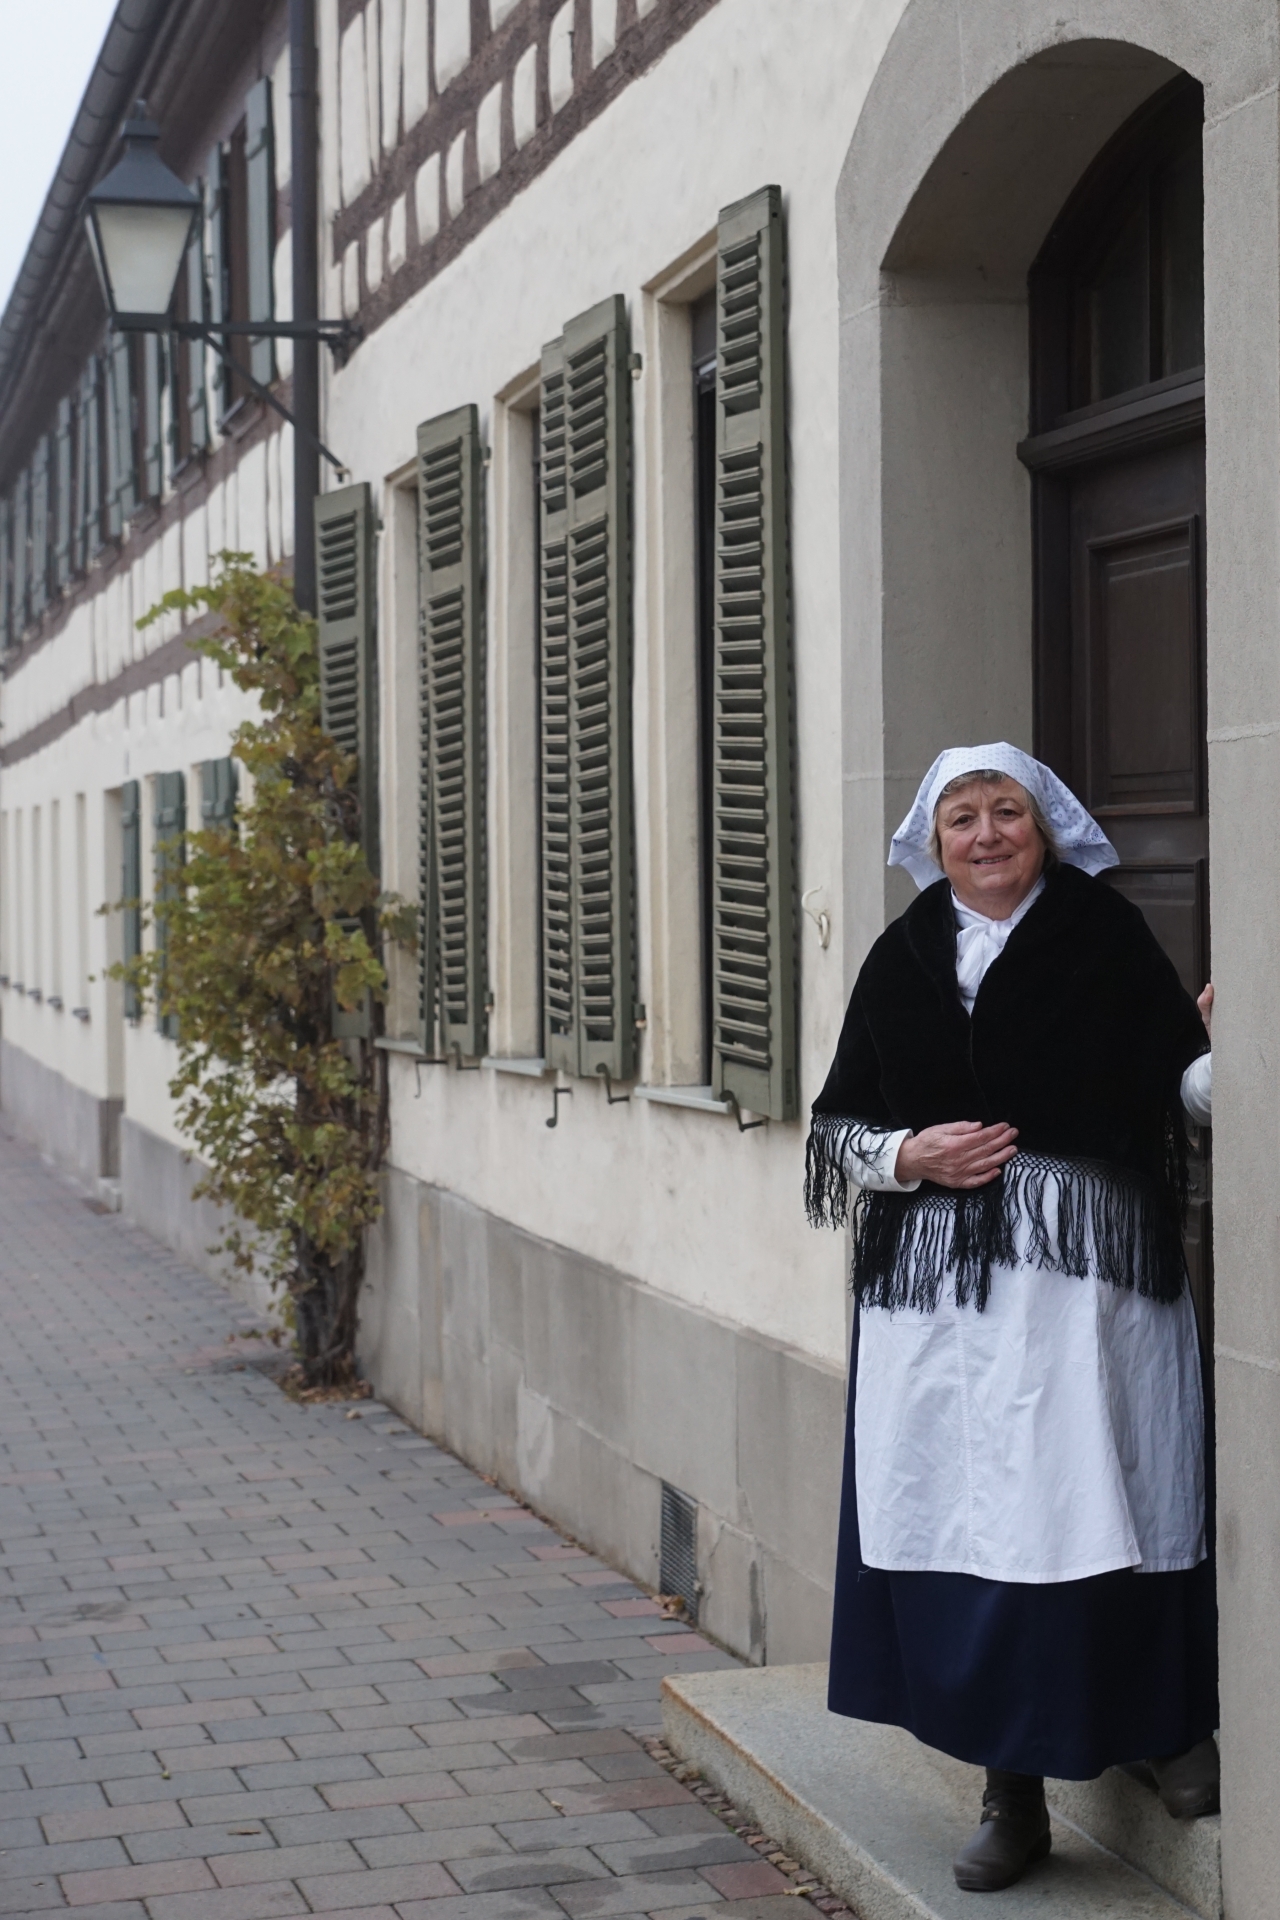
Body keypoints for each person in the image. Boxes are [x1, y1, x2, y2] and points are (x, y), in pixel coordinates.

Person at [806, 743, 1217, 1895]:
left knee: (1108, 1503)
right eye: (959, 820)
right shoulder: (898, 959)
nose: (983, 835)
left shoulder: (1102, 936)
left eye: (1004, 813)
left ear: (1043, 828)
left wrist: (1237, 1045)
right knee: (981, 1528)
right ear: (929, 845)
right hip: (941, 1308)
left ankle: (1157, 1731)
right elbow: (834, 1126)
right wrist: (908, 1151)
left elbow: (1177, 1082)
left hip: (1085, 1301)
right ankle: (1011, 1792)